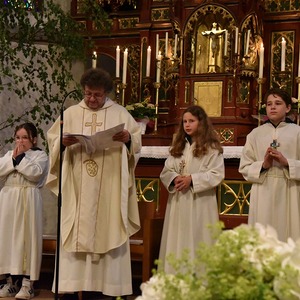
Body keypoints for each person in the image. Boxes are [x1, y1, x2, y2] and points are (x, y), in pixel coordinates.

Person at [46, 68, 142, 299]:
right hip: (77, 186)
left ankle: (106, 290)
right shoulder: (69, 113)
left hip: (109, 185)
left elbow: (136, 143)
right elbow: (52, 140)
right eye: (88, 94)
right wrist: (62, 142)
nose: (91, 99)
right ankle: (70, 289)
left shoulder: (120, 114)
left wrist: (129, 140)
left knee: (108, 228)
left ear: (107, 93)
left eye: (97, 95)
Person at [158, 105, 225, 273]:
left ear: (201, 122)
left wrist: (192, 179)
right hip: (179, 200)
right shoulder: (178, 146)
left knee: (199, 238)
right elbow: (166, 170)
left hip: (200, 201)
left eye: (192, 121)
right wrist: (175, 178)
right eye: (185, 121)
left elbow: (217, 174)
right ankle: (175, 276)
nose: (187, 125)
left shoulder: (211, 147)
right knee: (178, 237)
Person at [239, 88, 300, 242]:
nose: (272, 107)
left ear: (287, 108)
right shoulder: (255, 134)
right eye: (269, 104)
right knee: (263, 235)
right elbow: (244, 167)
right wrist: (264, 165)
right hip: (263, 190)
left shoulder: (297, 132)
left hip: (289, 189)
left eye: (278, 103)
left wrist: (287, 163)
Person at [0, 122, 49, 299]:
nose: (20, 141)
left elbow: (35, 173)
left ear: (34, 139)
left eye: (25, 137)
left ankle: (27, 284)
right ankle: (10, 282)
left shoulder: (40, 155)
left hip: (28, 198)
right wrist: (14, 159)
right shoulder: (8, 154)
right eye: (17, 137)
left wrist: (18, 159)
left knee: (26, 239)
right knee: (7, 239)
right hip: (8, 199)